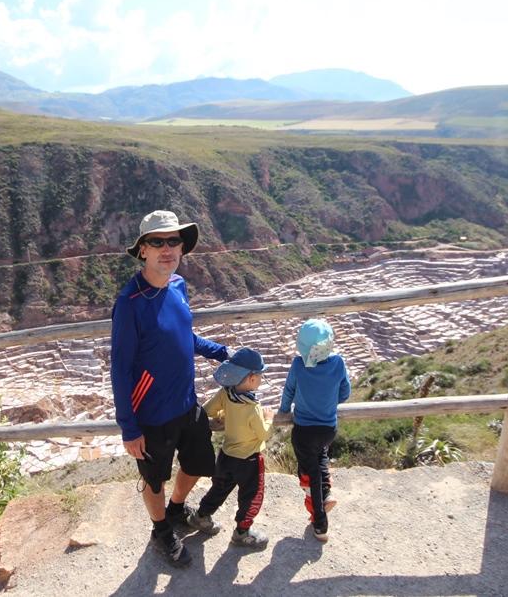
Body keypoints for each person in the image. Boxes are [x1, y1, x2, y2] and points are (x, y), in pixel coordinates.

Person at [110, 210, 230, 568]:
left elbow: (183, 335)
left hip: (186, 402)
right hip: (151, 413)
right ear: (142, 250)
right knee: (155, 478)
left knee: (196, 463)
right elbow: (119, 367)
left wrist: (219, 351)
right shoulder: (130, 304)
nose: (168, 248)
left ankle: (176, 511)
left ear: (182, 247)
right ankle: (160, 530)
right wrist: (129, 428)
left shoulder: (177, 285)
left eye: (174, 240)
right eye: (157, 242)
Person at [187, 348, 276, 550]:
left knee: (219, 488)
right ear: (252, 378)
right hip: (249, 460)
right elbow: (264, 434)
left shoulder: (225, 393)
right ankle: (242, 533)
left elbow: (207, 410)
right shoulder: (253, 407)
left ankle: (201, 517)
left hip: (226, 455)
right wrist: (269, 420)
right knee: (250, 495)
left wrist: (226, 414)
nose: (261, 378)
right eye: (260, 375)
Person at [278, 318, 351, 542]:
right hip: (328, 429)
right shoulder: (338, 363)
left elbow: (288, 391)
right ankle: (326, 493)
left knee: (310, 476)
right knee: (321, 456)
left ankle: (320, 523)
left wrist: (282, 411)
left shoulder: (298, 365)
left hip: (303, 431)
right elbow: (344, 393)